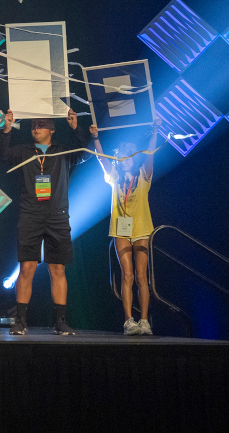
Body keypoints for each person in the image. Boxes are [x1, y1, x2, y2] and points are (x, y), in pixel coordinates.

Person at [0, 108, 90, 335]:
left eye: (41, 124)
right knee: (27, 268)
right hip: (30, 215)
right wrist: (7, 129)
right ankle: (21, 320)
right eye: (33, 125)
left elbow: (84, 153)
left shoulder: (62, 151)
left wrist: (76, 128)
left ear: (52, 130)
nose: (35, 128)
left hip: (57, 216)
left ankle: (61, 321)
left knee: (57, 268)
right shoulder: (24, 150)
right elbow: (2, 155)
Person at [91, 120, 159, 335]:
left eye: (128, 155)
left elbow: (151, 154)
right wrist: (95, 138)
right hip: (121, 230)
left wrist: (155, 132)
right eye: (121, 156)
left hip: (141, 229)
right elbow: (102, 160)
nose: (124, 159)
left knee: (142, 276)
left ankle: (145, 321)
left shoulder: (144, 176)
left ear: (134, 157)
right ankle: (129, 320)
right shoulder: (115, 177)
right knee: (127, 275)